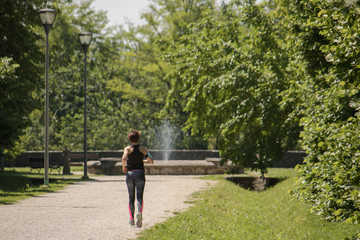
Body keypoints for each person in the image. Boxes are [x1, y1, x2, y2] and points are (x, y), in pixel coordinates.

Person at [121, 130, 153, 228]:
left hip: (130, 174)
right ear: (138, 139)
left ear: (129, 139)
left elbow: (124, 158)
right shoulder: (142, 149)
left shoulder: (128, 149)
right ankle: (139, 213)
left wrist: (124, 167)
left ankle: (131, 219)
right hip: (140, 174)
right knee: (139, 196)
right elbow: (150, 160)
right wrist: (143, 161)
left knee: (131, 198)